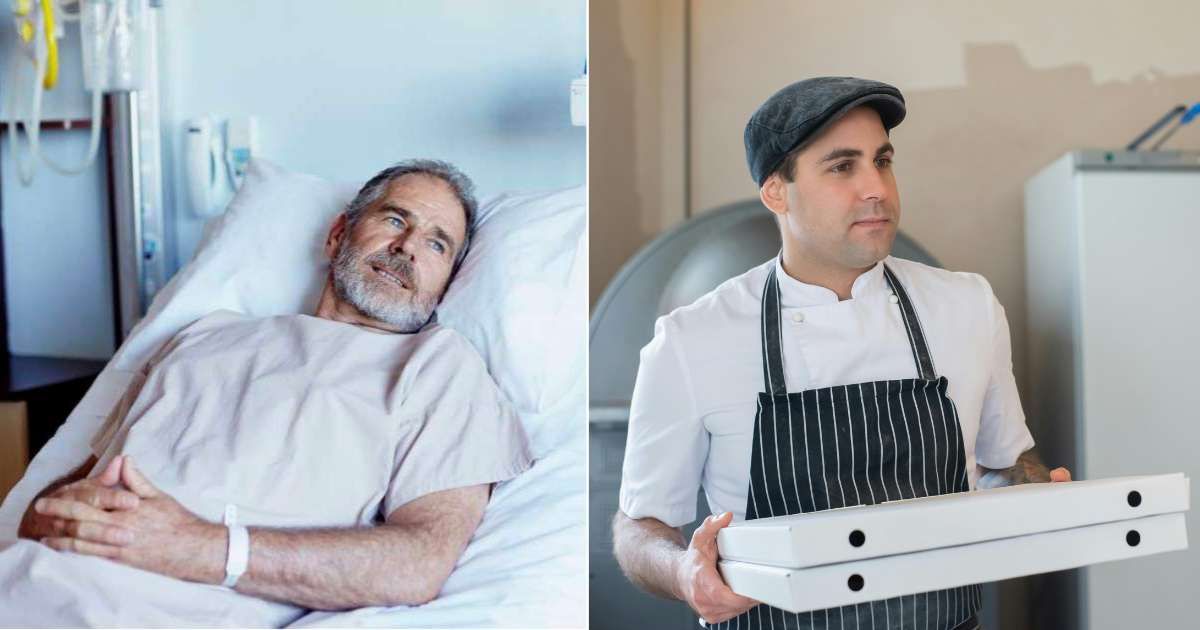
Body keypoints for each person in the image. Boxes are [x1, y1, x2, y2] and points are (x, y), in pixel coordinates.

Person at [611, 77, 1071, 630]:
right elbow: (640, 528)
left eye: (883, 160)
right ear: (776, 191)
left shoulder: (967, 306)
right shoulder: (692, 339)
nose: (876, 187)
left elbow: (1005, 463)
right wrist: (684, 572)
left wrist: (1040, 498)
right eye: (842, 167)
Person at [5, 159, 532, 626]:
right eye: (395, 220)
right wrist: (61, 515)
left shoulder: (439, 369)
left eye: (437, 243)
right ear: (337, 235)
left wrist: (199, 548)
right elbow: (48, 507)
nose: (407, 249)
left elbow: (419, 560)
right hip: (31, 580)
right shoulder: (202, 335)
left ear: (446, 281)